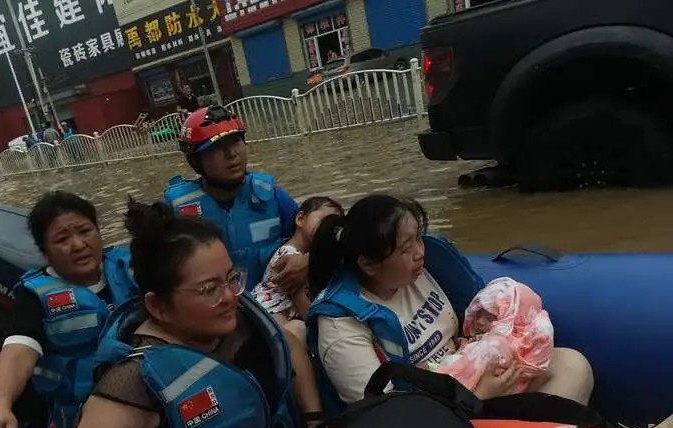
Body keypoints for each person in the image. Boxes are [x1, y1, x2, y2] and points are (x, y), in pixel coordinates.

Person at [46, 201, 325, 428]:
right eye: (209, 289)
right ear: (158, 306)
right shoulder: (137, 383)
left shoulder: (237, 318)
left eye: (230, 278)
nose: (229, 297)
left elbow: (286, 344)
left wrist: (315, 419)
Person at [306, 194, 595, 412]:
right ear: (368, 264)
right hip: (435, 417)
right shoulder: (342, 327)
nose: (420, 252)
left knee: (572, 366)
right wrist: (478, 397)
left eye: (418, 238)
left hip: (472, 376)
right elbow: (391, 420)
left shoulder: (424, 270)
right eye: (406, 248)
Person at [0, 191, 139, 428]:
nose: (78, 245)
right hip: (85, 418)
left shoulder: (131, 267)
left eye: (85, 231)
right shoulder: (35, 296)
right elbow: (18, 352)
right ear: (45, 252)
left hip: (147, 400)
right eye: (62, 239)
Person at [164, 105, 307, 292]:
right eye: (217, 148)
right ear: (195, 161)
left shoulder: (272, 196)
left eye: (236, 141)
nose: (232, 154)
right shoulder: (175, 210)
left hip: (273, 304)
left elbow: (315, 236)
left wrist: (307, 261)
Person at [251, 196, 344, 340]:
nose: (327, 228)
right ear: (300, 219)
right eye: (323, 221)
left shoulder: (301, 255)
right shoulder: (289, 256)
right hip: (269, 311)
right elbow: (305, 307)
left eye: (333, 226)